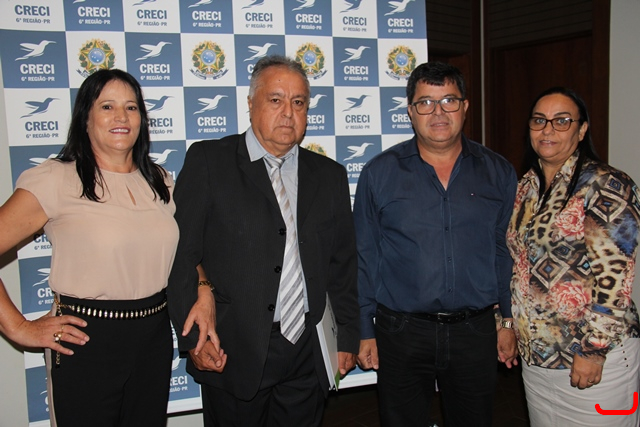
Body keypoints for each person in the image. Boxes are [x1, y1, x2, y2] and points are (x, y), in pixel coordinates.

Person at [167, 55, 359, 426]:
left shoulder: (329, 175)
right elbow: (181, 254)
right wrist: (193, 340)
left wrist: (347, 337)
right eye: (275, 100)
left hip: (307, 351)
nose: (288, 112)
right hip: (232, 349)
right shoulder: (210, 161)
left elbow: (343, 265)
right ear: (251, 103)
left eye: (299, 102)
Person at [0, 69, 178, 426]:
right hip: (85, 339)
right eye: (107, 106)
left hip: (154, 337)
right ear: (85, 118)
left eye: (131, 107)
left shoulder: (160, 180)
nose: (121, 117)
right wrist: (17, 327)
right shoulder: (55, 179)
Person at [354, 61, 518, 427]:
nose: (438, 112)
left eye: (449, 101)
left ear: (465, 106)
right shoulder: (379, 173)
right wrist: (365, 329)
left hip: (475, 331)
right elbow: (366, 255)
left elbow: (504, 251)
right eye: (426, 103)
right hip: (401, 332)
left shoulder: (498, 172)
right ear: (411, 111)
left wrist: (507, 321)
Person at [507, 87, 640, 426]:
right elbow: (518, 266)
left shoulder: (605, 184)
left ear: (581, 130)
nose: (548, 129)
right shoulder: (525, 187)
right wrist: (507, 325)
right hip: (538, 359)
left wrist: (593, 350)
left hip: (594, 360)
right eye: (539, 120)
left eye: (562, 121)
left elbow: (615, 279)